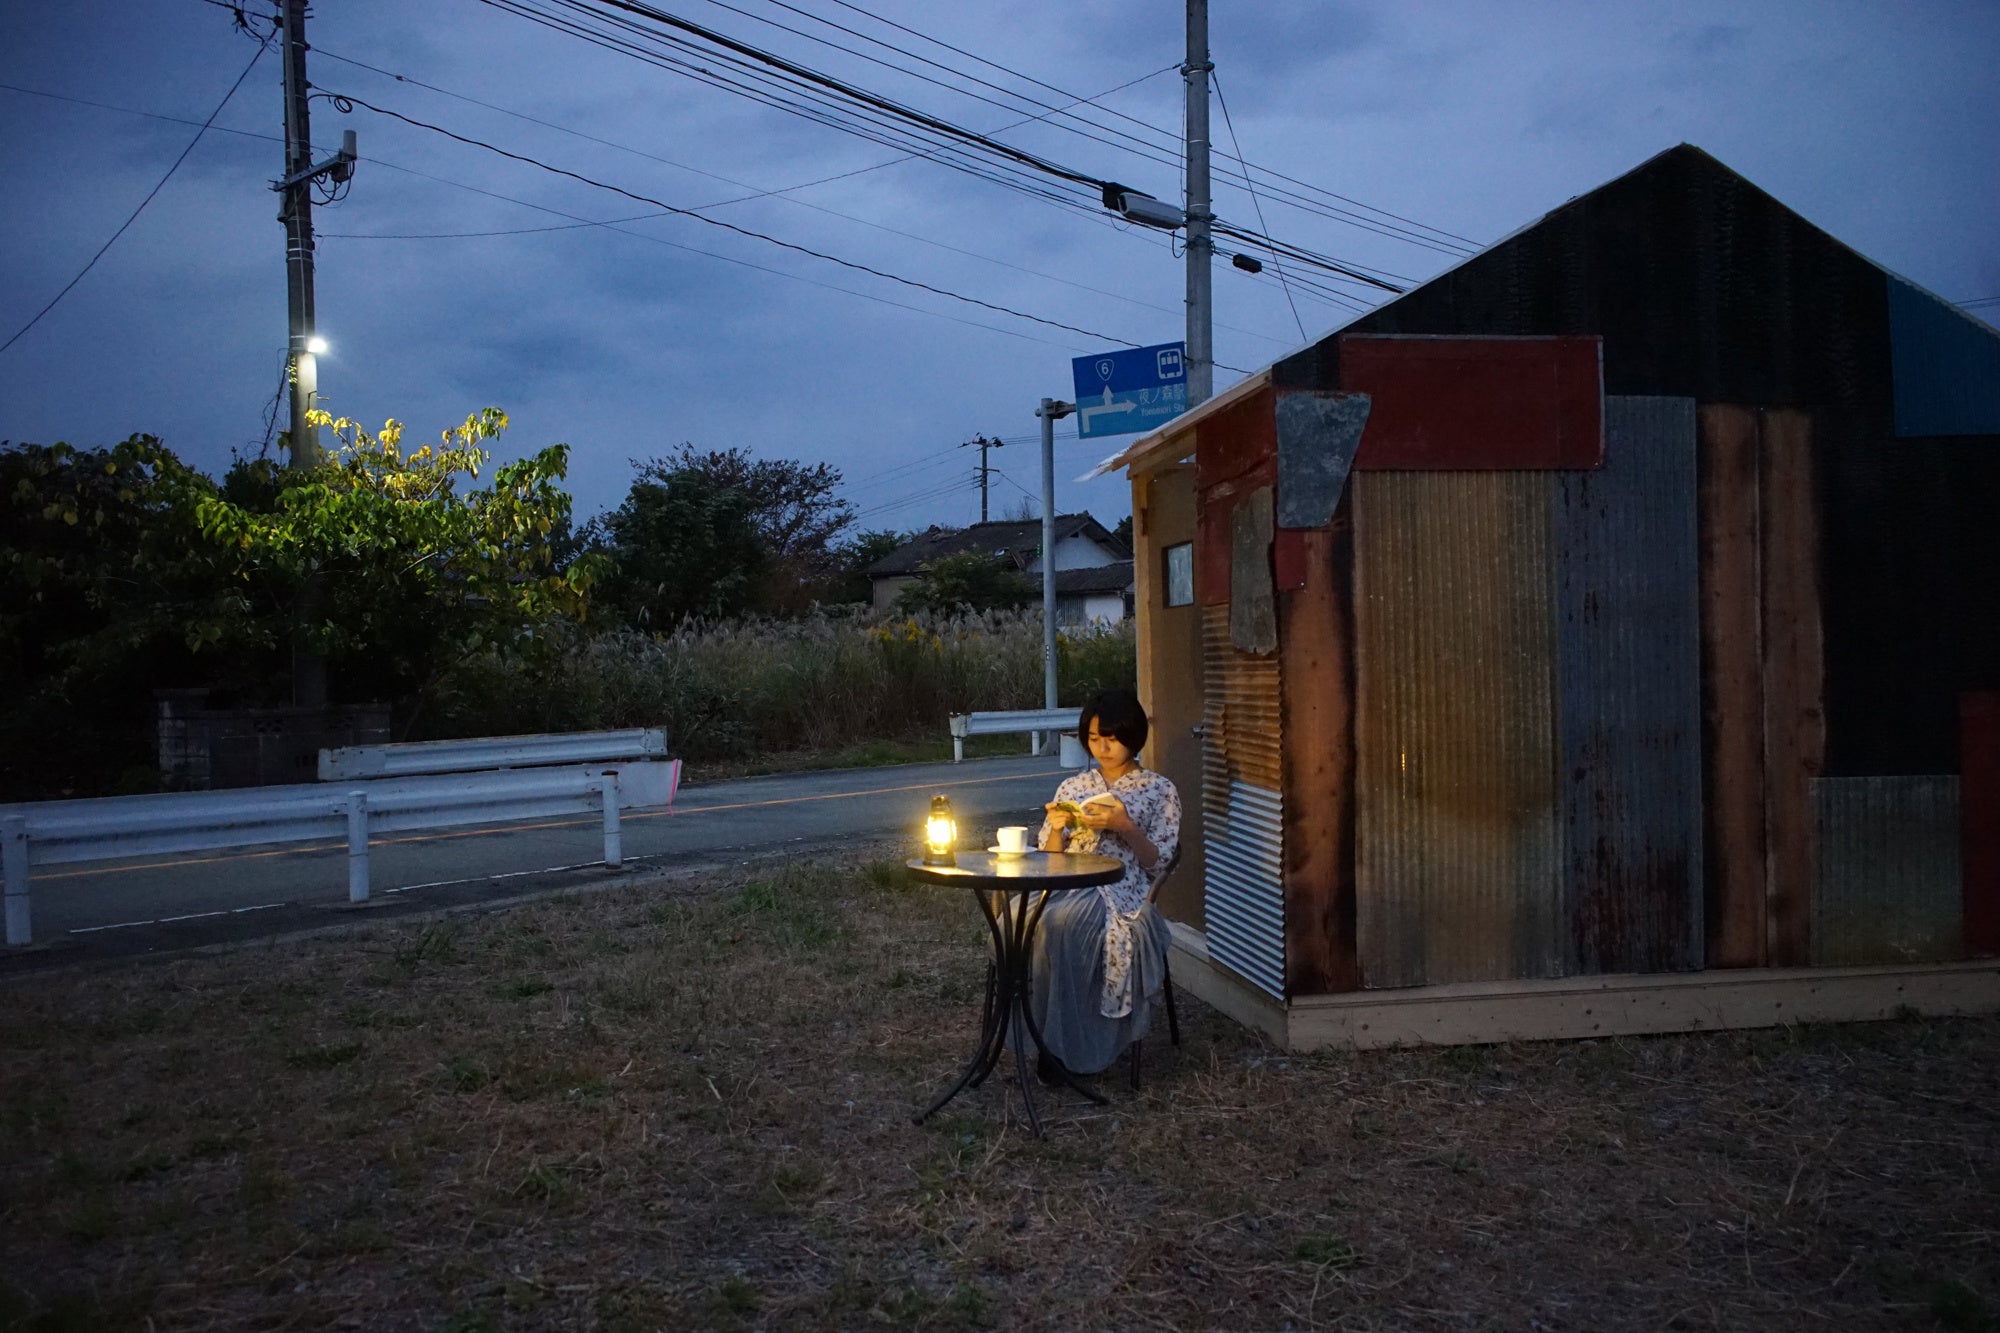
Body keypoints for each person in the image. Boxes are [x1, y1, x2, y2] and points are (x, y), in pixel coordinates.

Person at [1027, 687, 1182, 1079]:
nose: (1102, 748)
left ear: (1131, 737)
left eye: (1111, 739)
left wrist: (1124, 827)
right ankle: (1045, 1037)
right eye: (1094, 739)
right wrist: (1058, 829)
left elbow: (1159, 861)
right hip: (1068, 881)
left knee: (1060, 926)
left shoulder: (1159, 790)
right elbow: (1050, 860)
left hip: (1121, 886)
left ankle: (1062, 1050)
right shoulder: (1074, 788)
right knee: (1021, 923)